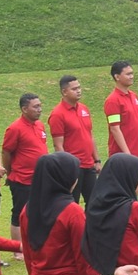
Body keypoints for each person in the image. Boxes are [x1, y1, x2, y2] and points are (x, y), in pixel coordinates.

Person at [1, 93, 49, 229]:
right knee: (20, 214)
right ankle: (18, 248)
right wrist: (10, 173)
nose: (39, 109)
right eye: (36, 107)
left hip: (39, 178)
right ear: (24, 109)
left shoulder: (40, 125)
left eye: (40, 106)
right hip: (22, 180)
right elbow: (6, 152)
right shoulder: (15, 128)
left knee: (40, 212)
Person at [48, 75, 99, 203]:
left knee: (95, 201)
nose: (79, 91)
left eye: (79, 87)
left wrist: (97, 160)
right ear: (64, 92)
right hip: (73, 167)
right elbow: (58, 145)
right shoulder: (57, 114)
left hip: (89, 164)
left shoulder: (84, 109)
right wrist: (66, 168)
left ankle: (90, 223)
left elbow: (90, 135)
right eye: (74, 89)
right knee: (72, 202)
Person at [102, 61, 138, 160]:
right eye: (128, 74)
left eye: (132, 73)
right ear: (117, 77)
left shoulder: (133, 96)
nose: (132, 76)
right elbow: (115, 128)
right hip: (122, 156)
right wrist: (127, 153)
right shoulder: (113, 100)